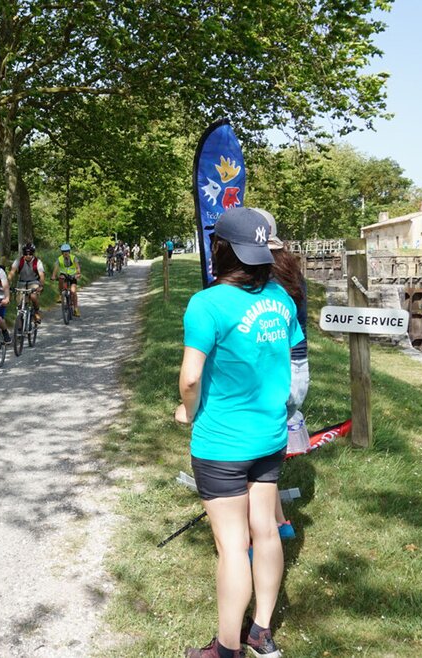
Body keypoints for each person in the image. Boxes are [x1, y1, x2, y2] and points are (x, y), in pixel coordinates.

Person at [175, 207, 303, 658]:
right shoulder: (282, 299)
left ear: (220, 250)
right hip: (269, 438)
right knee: (265, 533)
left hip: (222, 443)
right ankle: (261, 631)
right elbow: (288, 360)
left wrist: (187, 411)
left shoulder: (207, 304)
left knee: (234, 547)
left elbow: (191, 378)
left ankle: (226, 648)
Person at [254, 209, 310, 542]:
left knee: (256, 455)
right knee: (269, 450)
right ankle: (282, 522)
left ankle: (259, 534)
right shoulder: (293, 273)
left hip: (274, 368)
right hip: (298, 367)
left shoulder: (262, 280)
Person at [10, 243, 45, 324]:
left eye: (30, 253)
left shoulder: (37, 262)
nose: (28, 255)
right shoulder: (19, 261)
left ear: (33, 253)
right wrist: (7, 283)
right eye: (26, 253)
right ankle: (20, 323)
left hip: (34, 282)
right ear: (23, 253)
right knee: (20, 303)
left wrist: (41, 286)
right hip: (21, 283)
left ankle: (36, 312)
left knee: (33, 296)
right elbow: (12, 272)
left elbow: (42, 275)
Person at [51, 243, 82, 317]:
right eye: (64, 252)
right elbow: (56, 268)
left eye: (67, 251)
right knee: (61, 278)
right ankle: (60, 294)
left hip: (73, 275)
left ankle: (76, 309)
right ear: (62, 252)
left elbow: (77, 267)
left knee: (73, 292)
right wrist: (53, 276)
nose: (65, 253)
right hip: (64, 274)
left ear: (69, 251)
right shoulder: (59, 259)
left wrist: (78, 274)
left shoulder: (74, 258)